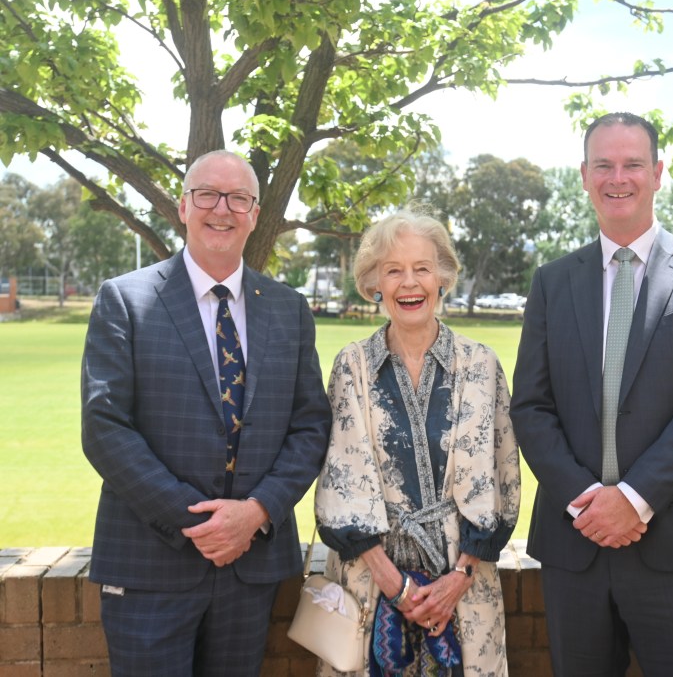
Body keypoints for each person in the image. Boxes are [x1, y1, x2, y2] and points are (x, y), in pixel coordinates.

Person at [510, 112, 673, 676]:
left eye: (633, 164)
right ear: (584, 176)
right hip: (576, 542)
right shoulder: (551, 281)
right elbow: (531, 406)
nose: (618, 178)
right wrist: (587, 500)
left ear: (658, 173)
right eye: (604, 165)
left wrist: (634, 498)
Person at [81, 150, 331, 676]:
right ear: (183, 206)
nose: (222, 209)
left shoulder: (288, 310)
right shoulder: (124, 300)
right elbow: (105, 428)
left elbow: (310, 426)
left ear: (255, 214)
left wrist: (255, 513)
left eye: (238, 198)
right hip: (149, 564)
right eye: (207, 195)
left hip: (250, 568)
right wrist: (202, 523)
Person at [314, 208, 520, 676]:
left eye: (422, 268)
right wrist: (398, 588)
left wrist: (457, 578)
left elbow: (504, 479)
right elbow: (339, 483)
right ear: (374, 284)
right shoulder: (351, 366)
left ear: (442, 278)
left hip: (464, 586)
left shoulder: (481, 364)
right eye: (394, 270)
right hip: (370, 584)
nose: (409, 283)